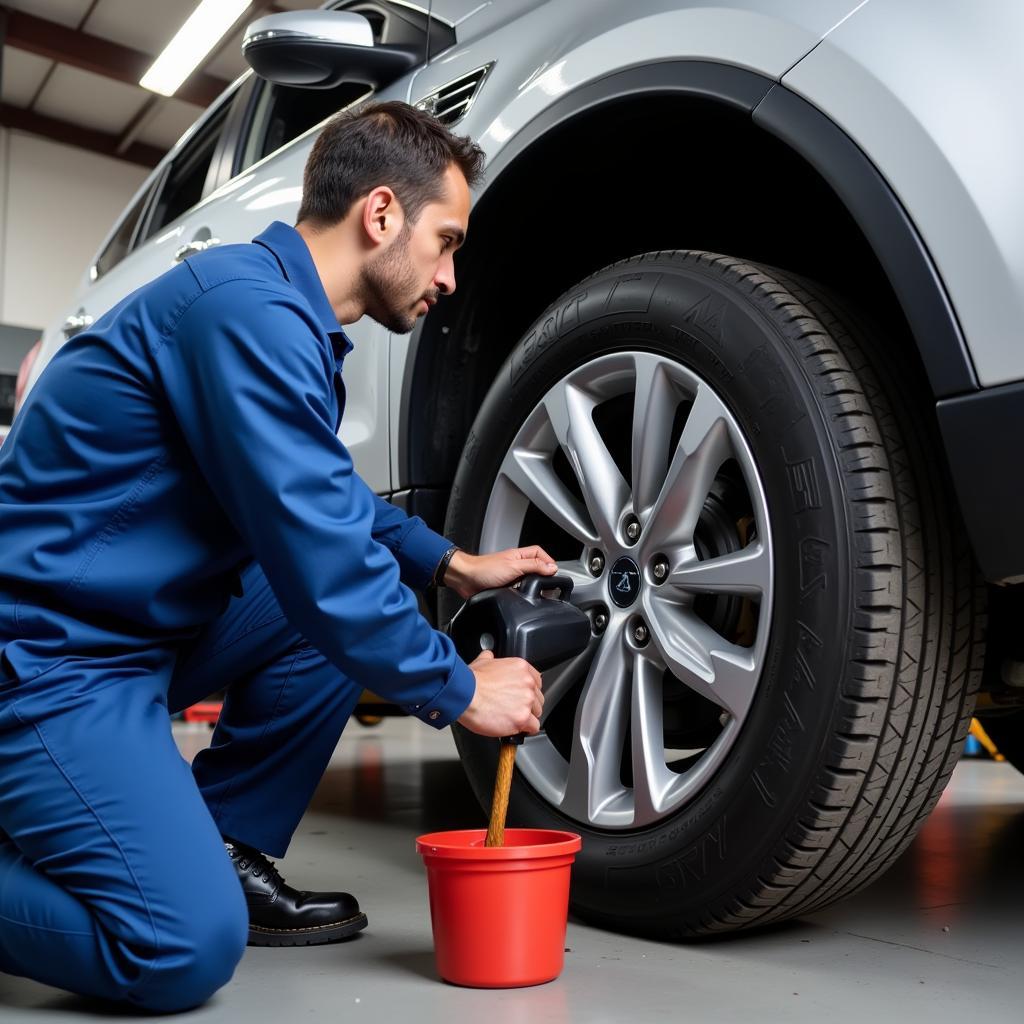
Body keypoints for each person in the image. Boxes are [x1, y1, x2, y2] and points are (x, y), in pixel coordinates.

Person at [0, 101, 554, 1012]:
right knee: (181, 945)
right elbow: (320, 555)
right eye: (446, 241)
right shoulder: (245, 314)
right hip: (49, 659)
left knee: (329, 618)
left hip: (133, 638)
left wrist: (453, 564)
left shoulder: (280, 319)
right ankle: (178, 887)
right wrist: (459, 687)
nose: (450, 276)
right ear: (381, 214)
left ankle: (215, 844)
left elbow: (325, 498)